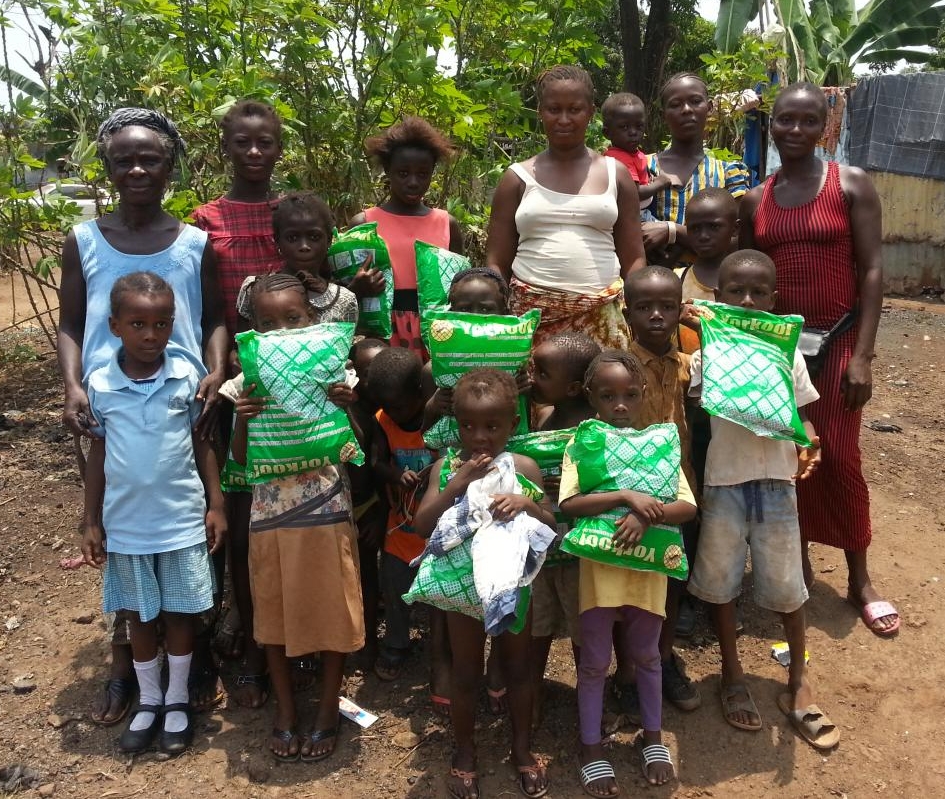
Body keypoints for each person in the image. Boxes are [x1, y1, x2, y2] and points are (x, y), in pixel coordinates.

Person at [56, 107, 227, 725]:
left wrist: (214, 372)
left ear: (168, 166)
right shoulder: (83, 241)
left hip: (184, 406)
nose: (136, 169)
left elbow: (214, 318)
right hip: (110, 411)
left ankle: (194, 662)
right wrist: (73, 386)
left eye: (149, 159)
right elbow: (71, 323)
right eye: (123, 159)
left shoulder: (194, 244)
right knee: (120, 537)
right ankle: (124, 666)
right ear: (106, 166)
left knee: (189, 535)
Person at [739, 82, 896, 636]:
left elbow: (872, 270)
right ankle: (797, 563)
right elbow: (745, 276)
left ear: (825, 126)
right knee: (791, 458)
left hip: (840, 340)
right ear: (772, 125)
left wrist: (864, 356)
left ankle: (860, 578)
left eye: (809, 120)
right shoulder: (756, 200)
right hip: (779, 350)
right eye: (786, 120)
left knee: (842, 456)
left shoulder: (849, 184)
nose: (796, 130)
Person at [686, 250, 838, 749]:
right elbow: (699, 411)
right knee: (721, 584)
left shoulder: (787, 354)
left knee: (788, 586)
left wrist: (809, 441)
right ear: (718, 297)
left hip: (777, 482)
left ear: (775, 300)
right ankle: (731, 674)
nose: (747, 301)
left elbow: (803, 416)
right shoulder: (708, 355)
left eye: (758, 293)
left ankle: (798, 679)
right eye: (735, 292)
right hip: (725, 481)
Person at [80, 272, 226, 756]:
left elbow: (202, 442)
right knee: (139, 617)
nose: (150, 335)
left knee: (181, 613)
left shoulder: (185, 375)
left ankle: (177, 698)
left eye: (161, 324)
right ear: (115, 326)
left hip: (181, 520)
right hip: (127, 525)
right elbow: (98, 453)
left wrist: (216, 504)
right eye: (138, 324)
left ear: (172, 324)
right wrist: (91, 520)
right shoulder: (100, 383)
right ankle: (149, 699)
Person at [229, 272, 364, 762]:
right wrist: (242, 418)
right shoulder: (247, 380)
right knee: (272, 607)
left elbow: (356, 449)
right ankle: (285, 711)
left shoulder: (333, 369)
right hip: (270, 512)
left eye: (294, 319)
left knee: (334, 605)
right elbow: (240, 460)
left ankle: (327, 709)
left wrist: (346, 407)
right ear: (254, 330)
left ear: (314, 320)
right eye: (268, 324)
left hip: (326, 506)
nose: (282, 331)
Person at [559, 350, 697, 796]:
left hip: (647, 573)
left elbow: (687, 506)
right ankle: (591, 747)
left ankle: (653, 737)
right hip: (600, 574)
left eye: (630, 395)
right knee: (594, 663)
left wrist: (645, 516)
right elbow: (570, 504)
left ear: (643, 394)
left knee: (648, 657)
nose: (620, 405)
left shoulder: (659, 443)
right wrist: (626, 496)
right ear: (590, 397)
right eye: (608, 396)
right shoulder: (583, 444)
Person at [414, 369, 555, 799]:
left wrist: (527, 503)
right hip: (463, 592)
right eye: (468, 426)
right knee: (465, 671)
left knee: (518, 667)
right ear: (456, 424)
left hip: (514, 586)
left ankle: (522, 748)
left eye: (492, 426)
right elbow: (421, 525)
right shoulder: (447, 468)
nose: (479, 437)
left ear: (513, 424)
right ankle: (465, 751)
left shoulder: (524, 468)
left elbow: (552, 525)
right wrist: (456, 485)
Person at [192, 98, 283, 706]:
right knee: (233, 512)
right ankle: (235, 635)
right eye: (243, 142)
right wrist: (218, 368)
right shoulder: (206, 220)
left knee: (282, 511)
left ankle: (280, 637)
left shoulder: (290, 212)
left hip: (289, 384)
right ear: (225, 146)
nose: (254, 152)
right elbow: (208, 308)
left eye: (265, 142)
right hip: (229, 383)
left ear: (278, 147)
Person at [486, 64, 645, 349]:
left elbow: (633, 257)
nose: (563, 119)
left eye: (574, 109)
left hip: (603, 314)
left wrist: (636, 307)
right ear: (540, 112)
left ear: (591, 112)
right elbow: (497, 261)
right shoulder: (517, 178)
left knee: (603, 379)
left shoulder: (616, 174)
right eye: (553, 109)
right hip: (530, 317)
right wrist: (498, 316)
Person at [622, 267, 701, 713]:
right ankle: (628, 671)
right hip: (631, 496)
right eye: (644, 307)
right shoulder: (618, 369)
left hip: (679, 494)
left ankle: (663, 657)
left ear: (679, 311)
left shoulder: (689, 366)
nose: (656, 315)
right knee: (630, 584)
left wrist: (703, 325)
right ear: (627, 313)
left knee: (672, 581)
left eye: (667, 307)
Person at [368, 347, 451, 715]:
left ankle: (442, 651)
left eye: (401, 406)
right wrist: (394, 474)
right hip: (399, 531)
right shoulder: (382, 421)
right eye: (388, 407)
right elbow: (375, 461)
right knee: (396, 590)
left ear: (421, 393)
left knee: (440, 596)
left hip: (438, 534)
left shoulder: (440, 420)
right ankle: (396, 644)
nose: (395, 413)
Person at [527, 331, 601, 726]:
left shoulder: (595, 430)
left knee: (583, 628)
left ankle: (590, 700)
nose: (532, 378)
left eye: (542, 373)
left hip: (580, 551)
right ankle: (531, 692)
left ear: (573, 388)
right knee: (537, 625)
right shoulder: (540, 418)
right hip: (540, 549)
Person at [350, 116, 464, 357]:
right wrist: (357, 287)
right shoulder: (364, 224)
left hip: (436, 331)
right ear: (387, 171)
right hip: (383, 331)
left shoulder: (447, 224)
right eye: (403, 173)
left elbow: (459, 287)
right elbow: (345, 289)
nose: (413, 182)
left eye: (422, 174)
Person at [641, 73, 749, 267]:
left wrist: (672, 231)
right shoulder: (642, 167)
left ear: (709, 108)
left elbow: (736, 241)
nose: (686, 109)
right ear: (663, 114)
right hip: (650, 281)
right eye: (675, 105)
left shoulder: (729, 173)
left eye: (695, 101)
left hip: (708, 282)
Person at [237, 192, 359, 327]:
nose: (304, 246)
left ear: (329, 240)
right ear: (277, 241)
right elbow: (242, 339)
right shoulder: (254, 289)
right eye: (292, 238)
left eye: (314, 237)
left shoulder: (343, 300)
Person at [348, 337, 391, 667]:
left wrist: (379, 516)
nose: (372, 382)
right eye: (365, 373)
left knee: (367, 573)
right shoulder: (345, 405)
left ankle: (370, 640)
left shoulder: (387, 414)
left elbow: (377, 467)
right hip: (335, 506)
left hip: (368, 505)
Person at [601, 92, 672, 221]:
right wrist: (660, 183)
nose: (633, 132)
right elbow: (634, 193)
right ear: (607, 133)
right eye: (624, 127)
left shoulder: (634, 154)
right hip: (634, 215)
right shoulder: (619, 158)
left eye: (639, 126)